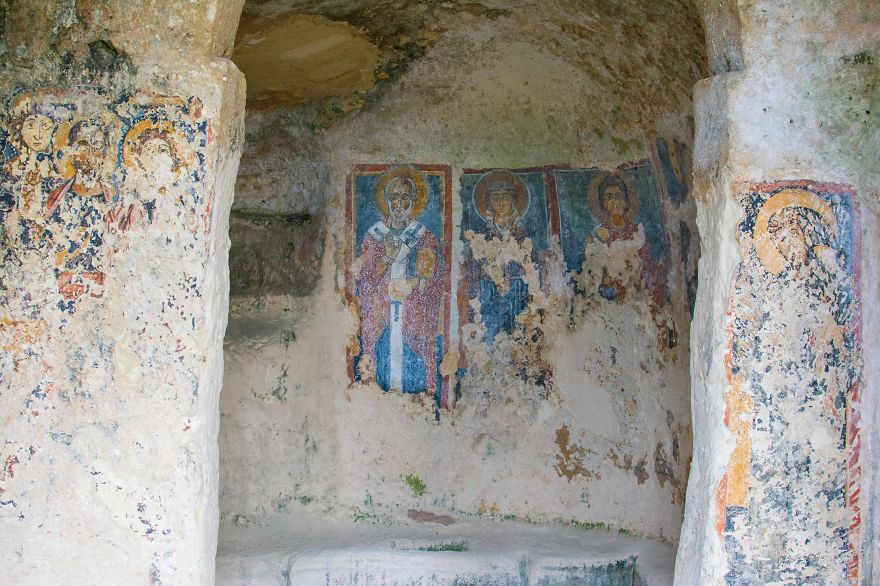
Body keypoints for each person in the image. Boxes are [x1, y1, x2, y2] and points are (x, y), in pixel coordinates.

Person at [356, 168, 442, 396]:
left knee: (413, 355)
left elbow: (430, 278)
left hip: (413, 314)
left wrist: (411, 284)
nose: (399, 203)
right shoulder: (374, 235)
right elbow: (364, 279)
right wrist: (387, 257)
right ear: (386, 201)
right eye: (394, 197)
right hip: (382, 313)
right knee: (382, 354)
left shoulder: (423, 235)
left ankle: (419, 402)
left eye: (405, 197)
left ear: (413, 202)